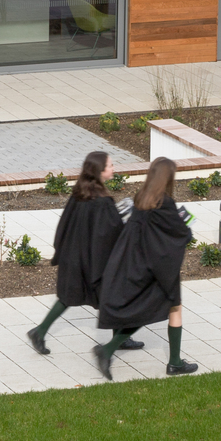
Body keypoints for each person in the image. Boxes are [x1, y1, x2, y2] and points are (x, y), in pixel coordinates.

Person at [93, 156, 198, 380]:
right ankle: (175, 363)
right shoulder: (165, 203)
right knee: (173, 308)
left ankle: (109, 349)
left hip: (136, 263)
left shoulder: (142, 198)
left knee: (144, 309)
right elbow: (180, 234)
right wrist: (186, 227)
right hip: (157, 267)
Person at [26, 151, 127, 355]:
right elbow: (110, 233)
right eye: (110, 165)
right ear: (100, 170)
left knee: (68, 296)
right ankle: (119, 339)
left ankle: (40, 331)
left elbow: (66, 223)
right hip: (92, 260)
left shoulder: (80, 193)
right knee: (114, 295)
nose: (113, 168)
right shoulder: (102, 201)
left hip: (73, 255)